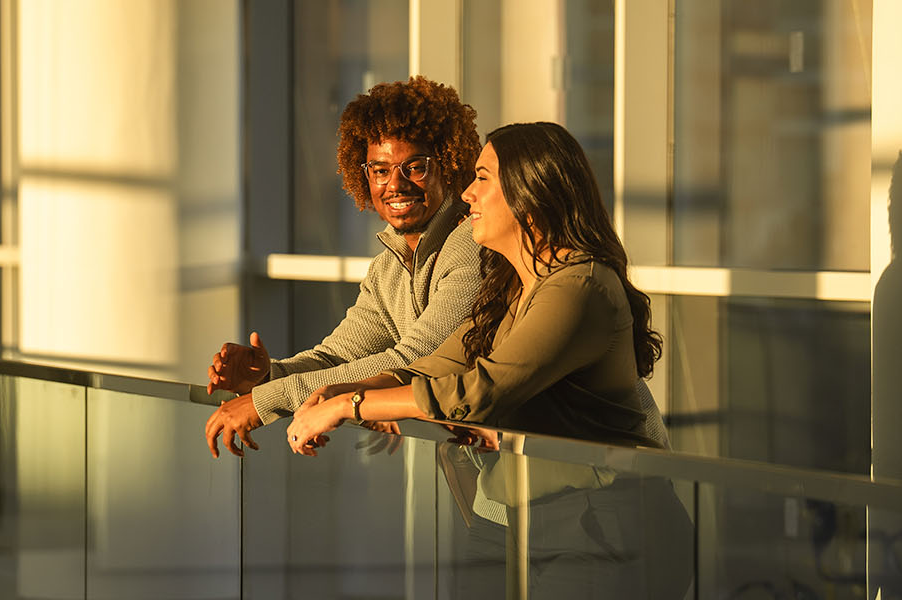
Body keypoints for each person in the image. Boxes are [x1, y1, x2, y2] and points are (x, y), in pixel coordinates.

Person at [282, 121, 686, 599]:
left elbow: (479, 390)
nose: (467, 194)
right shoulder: (513, 287)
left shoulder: (580, 286)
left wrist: (346, 409)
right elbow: (435, 365)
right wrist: (346, 389)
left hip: (601, 522)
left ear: (530, 192)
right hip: (516, 513)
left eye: (482, 178)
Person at [202, 76, 483, 458]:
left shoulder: (472, 244)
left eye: (414, 166)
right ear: (362, 174)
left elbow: (413, 362)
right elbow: (337, 356)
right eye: (380, 170)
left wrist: (265, 401)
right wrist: (267, 377)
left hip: (526, 472)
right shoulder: (389, 265)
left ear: (449, 164)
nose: (395, 184)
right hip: (472, 473)